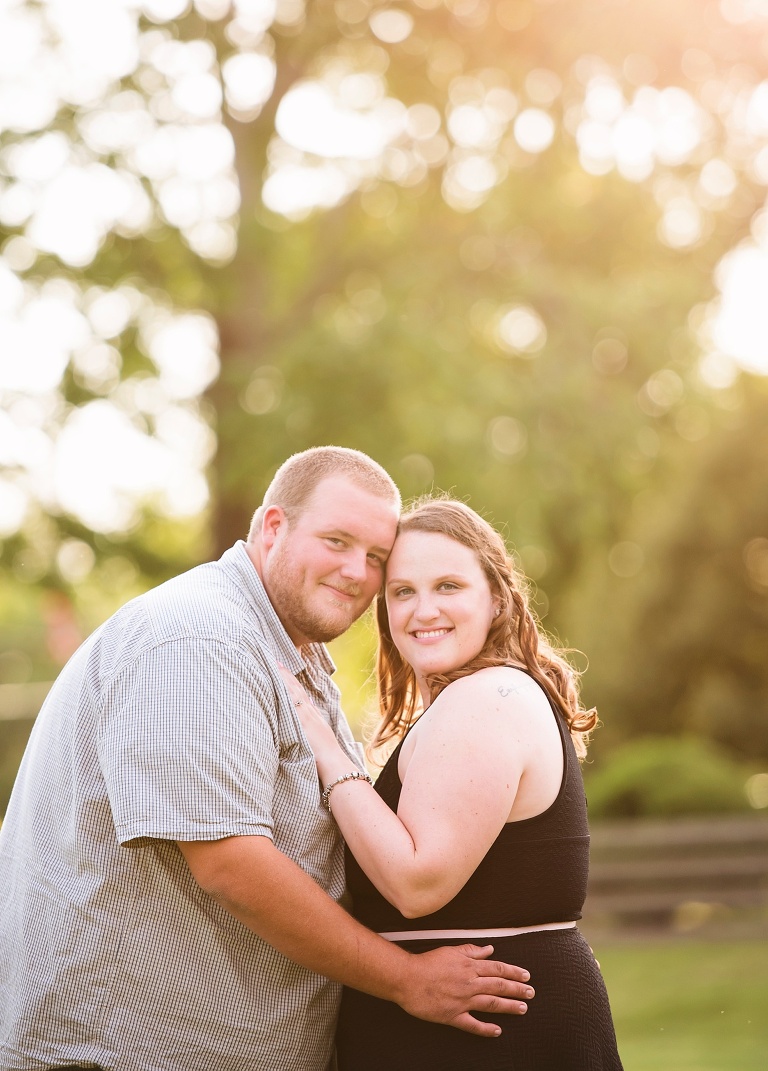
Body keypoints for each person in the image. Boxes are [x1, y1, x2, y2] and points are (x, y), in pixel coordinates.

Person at [0, 448, 534, 1071]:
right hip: (119, 1053)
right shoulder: (199, 641)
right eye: (336, 540)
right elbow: (230, 864)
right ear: (274, 527)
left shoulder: (283, 650)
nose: (357, 572)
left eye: (375, 558)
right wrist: (405, 979)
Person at [282, 497, 624, 1070]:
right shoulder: (475, 698)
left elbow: (418, 884)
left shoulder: (487, 697)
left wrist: (322, 742)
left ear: (495, 599)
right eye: (402, 592)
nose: (422, 610)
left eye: (448, 586)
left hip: (489, 1041)